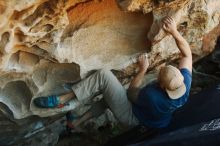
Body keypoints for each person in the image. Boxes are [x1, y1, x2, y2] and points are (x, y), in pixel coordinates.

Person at [34, 16, 192, 129]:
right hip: (155, 119)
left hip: (133, 117)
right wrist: (174, 32)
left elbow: (131, 93)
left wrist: (142, 70)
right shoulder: (183, 85)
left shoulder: (153, 96)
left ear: (161, 86)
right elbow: (187, 54)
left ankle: (63, 99)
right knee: (111, 95)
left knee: (104, 76)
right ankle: (75, 123)